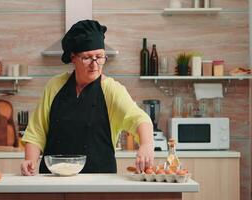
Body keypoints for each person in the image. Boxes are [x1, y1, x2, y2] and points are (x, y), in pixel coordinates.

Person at [21, 20, 154, 175]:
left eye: (100, 57)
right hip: (53, 179)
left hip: (98, 183)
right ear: (73, 58)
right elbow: (37, 131)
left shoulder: (111, 89)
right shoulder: (54, 86)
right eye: (87, 58)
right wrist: (30, 160)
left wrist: (146, 144)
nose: (95, 64)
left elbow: (139, 119)